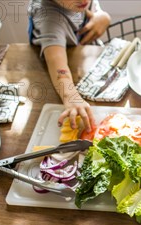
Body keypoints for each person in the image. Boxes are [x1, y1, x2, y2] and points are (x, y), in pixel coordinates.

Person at [29, 0, 111, 131]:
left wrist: (103, 16)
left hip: (87, 65)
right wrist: (70, 95)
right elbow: (55, 60)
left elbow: (93, 9)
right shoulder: (49, 19)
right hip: (56, 84)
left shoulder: (77, 2)